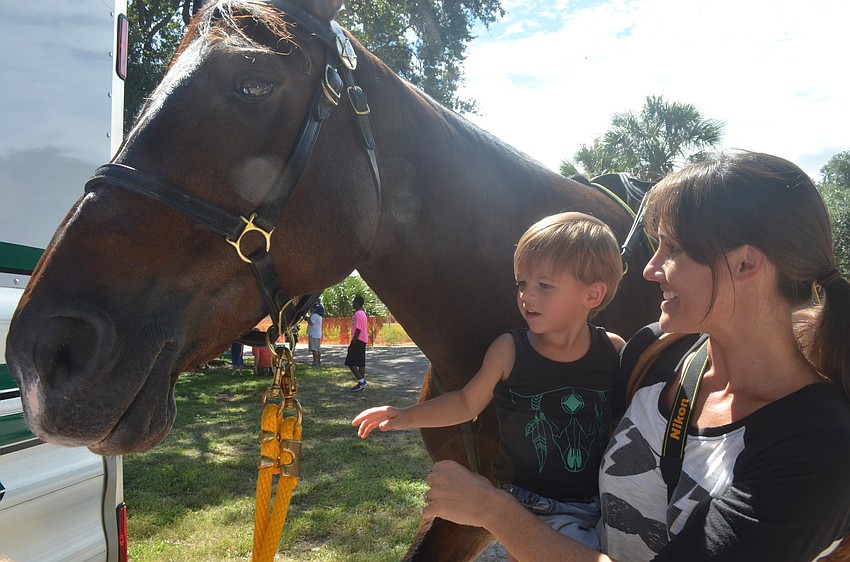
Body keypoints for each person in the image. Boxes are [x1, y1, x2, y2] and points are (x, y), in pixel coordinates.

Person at [421, 151, 850, 561]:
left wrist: (495, 512)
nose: (650, 268)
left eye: (673, 249)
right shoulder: (654, 353)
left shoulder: (817, 448)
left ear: (746, 264)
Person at [353, 212, 627, 553]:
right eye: (522, 283)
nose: (527, 295)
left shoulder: (613, 351)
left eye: (544, 285)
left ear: (593, 295)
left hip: (598, 504)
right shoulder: (510, 349)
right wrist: (406, 415)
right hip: (520, 506)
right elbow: (467, 403)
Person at [346, 295, 369, 391]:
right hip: (363, 340)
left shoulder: (358, 314)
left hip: (358, 340)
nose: (353, 303)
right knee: (360, 362)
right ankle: (361, 383)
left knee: (350, 362)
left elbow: (358, 329)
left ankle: (361, 381)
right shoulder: (363, 313)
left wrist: (354, 341)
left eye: (354, 302)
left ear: (357, 303)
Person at [307, 301, 324, 366]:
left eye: (311, 308)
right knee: (318, 348)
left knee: (314, 349)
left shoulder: (315, 315)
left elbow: (311, 323)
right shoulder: (319, 316)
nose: (310, 309)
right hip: (317, 334)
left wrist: (307, 319)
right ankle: (319, 361)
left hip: (313, 334)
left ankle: (315, 362)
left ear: (315, 309)